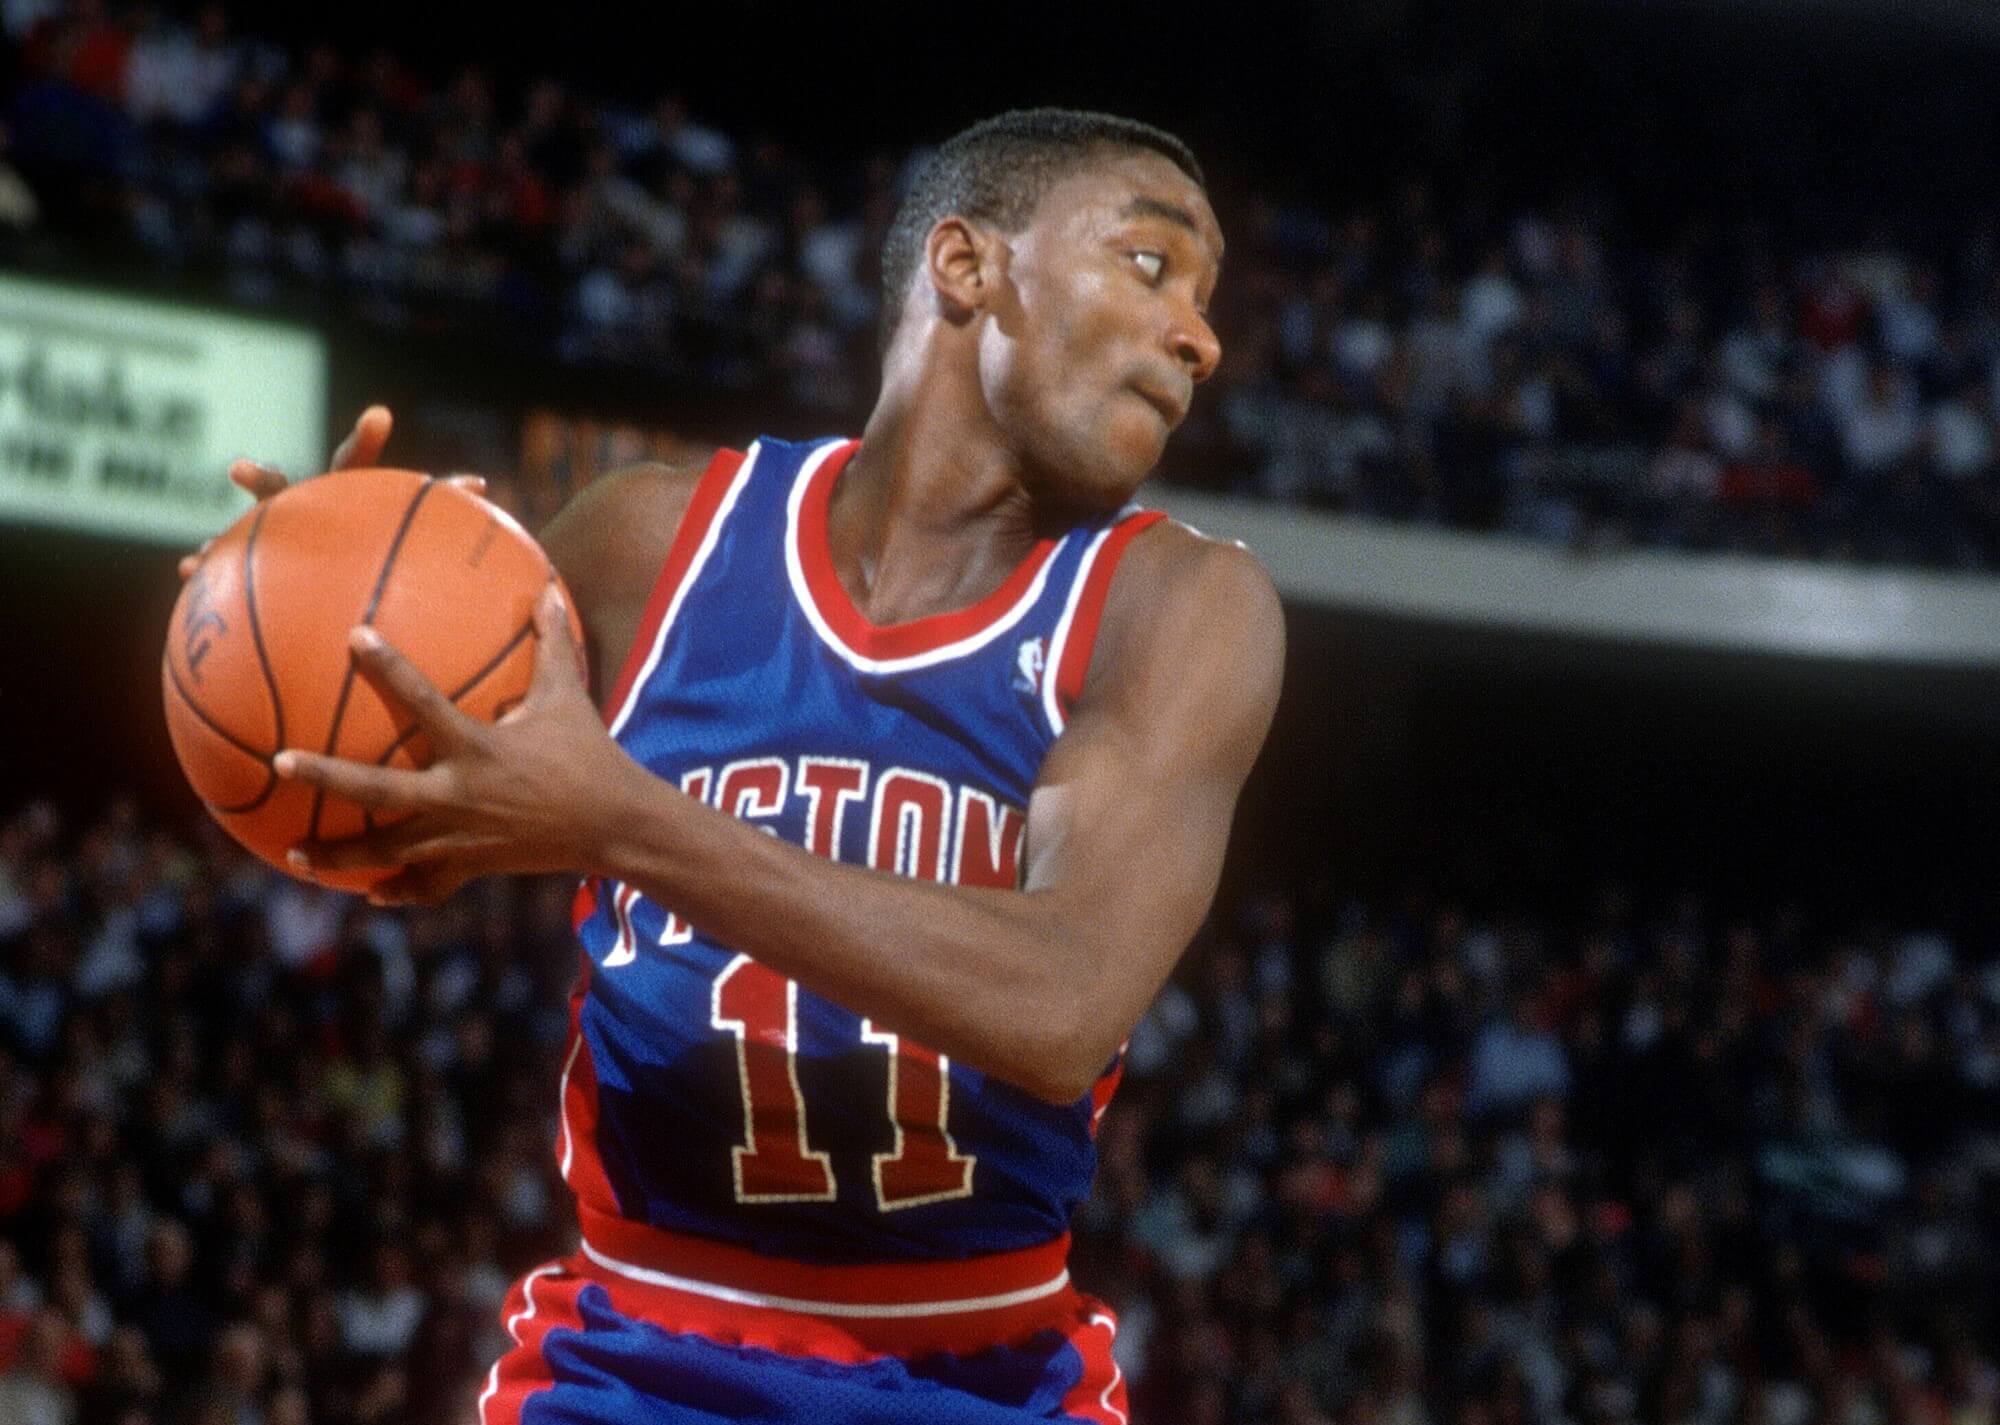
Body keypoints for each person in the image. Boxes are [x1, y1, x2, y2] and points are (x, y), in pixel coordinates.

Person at [205, 108, 1283, 1423]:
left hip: (976, 1371)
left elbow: (1062, 1001)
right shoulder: (647, 546)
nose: (1200, 336)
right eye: (1153, 265)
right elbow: (406, 833)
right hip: (635, 1352)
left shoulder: (1174, 610)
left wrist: (624, 821)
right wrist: (330, 643)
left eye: (1208, 301)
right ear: (966, 266)